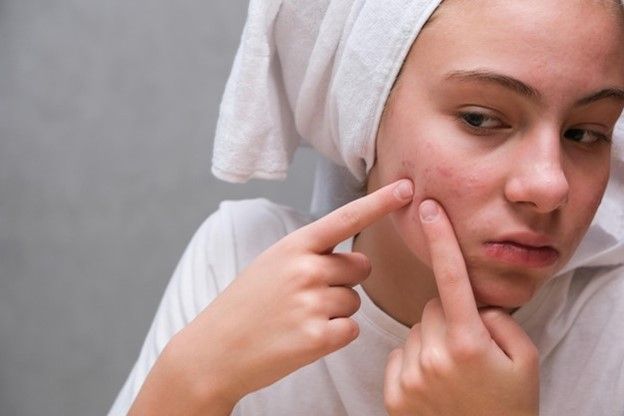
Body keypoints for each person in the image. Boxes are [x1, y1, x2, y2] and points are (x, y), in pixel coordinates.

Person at [109, 0, 624, 414]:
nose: (549, 184)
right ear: (366, 118)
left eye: (585, 133)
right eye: (480, 119)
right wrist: (192, 379)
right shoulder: (239, 260)